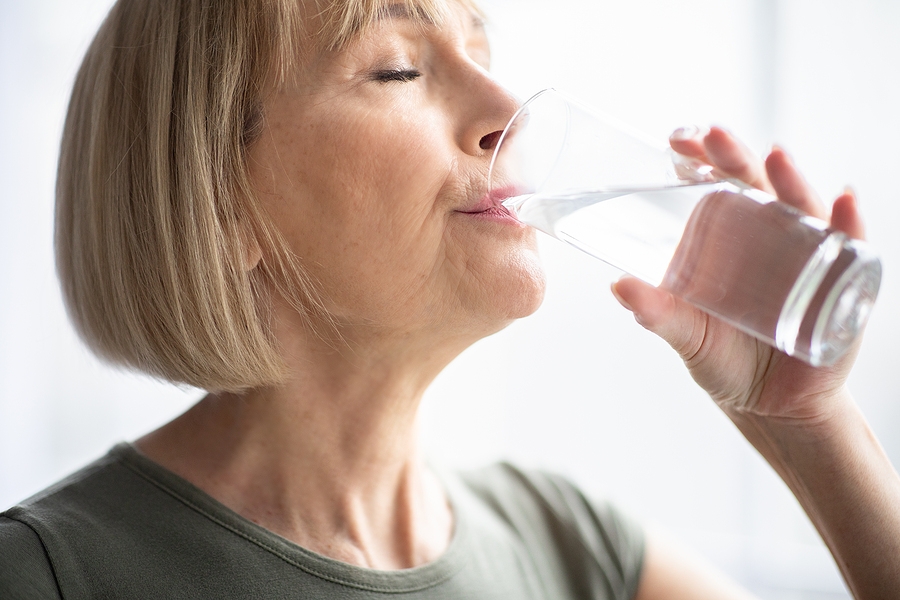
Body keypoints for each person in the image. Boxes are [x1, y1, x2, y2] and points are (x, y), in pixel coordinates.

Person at [1, 0, 898, 597]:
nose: (511, 106)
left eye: (481, 48)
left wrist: (811, 428)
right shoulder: (52, 574)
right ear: (218, 200)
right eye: (395, 70)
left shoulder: (571, 548)